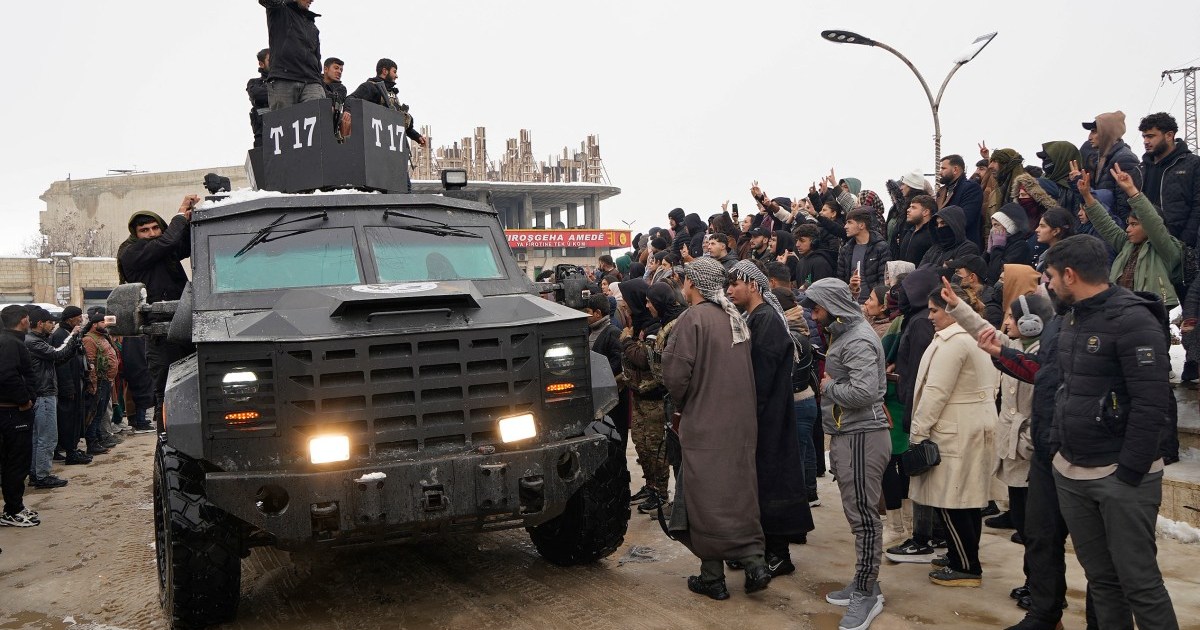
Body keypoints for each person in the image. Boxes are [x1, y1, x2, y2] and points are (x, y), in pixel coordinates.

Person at [1044, 235, 1178, 629]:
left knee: (1141, 585)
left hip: (1120, 476)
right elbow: (1066, 387)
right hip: (1073, 471)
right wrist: (1058, 449)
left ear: (1070, 275)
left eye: (1052, 276)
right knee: (1102, 581)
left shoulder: (1133, 320)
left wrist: (1129, 474)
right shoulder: (1072, 317)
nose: (1049, 284)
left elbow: (1152, 403)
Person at [662, 257, 771, 600]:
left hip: (706, 424)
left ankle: (712, 577)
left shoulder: (692, 319)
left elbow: (675, 376)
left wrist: (684, 404)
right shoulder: (733, 316)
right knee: (739, 493)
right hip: (741, 424)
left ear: (693, 284)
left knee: (705, 498)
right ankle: (755, 563)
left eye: (685, 280)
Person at [802, 277, 889, 630]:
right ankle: (866, 582)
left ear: (833, 306)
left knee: (864, 518)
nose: (813, 314)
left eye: (817, 307)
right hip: (850, 435)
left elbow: (865, 393)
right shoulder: (845, 333)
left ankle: (866, 594)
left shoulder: (858, 339)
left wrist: (829, 386)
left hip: (862, 436)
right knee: (858, 515)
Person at [727, 261, 814, 576]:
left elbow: (760, 377)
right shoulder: (756, 317)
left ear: (753, 285)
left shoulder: (765, 319)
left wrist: (748, 415)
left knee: (772, 484)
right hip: (763, 416)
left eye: (735, 284)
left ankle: (778, 555)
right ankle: (760, 550)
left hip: (770, 419)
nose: (730, 290)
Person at [909, 282, 999, 587]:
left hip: (955, 428)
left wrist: (918, 433)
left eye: (935, 310)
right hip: (974, 423)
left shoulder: (954, 343)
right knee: (968, 499)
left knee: (951, 501)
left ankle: (966, 566)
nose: (930, 316)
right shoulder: (976, 336)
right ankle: (961, 555)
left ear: (952, 310)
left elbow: (935, 392)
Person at [117, 196, 199, 432]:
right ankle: (167, 441)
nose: (151, 233)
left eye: (155, 228)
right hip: (160, 332)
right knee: (167, 391)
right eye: (144, 230)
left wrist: (192, 218)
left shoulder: (164, 251)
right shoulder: (132, 252)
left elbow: (184, 243)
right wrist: (180, 214)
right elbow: (168, 242)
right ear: (135, 234)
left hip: (185, 323)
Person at [619, 279, 669, 512]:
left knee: (656, 447)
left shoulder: (654, 328)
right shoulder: (638, 325)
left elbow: (643, 359)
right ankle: (650, 486)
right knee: (641, 445)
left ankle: (661, 493)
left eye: (627, 300)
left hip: (654, 398)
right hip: (639, 395)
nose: (624, 305)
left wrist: (626, 341)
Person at [24, 308, 83, 489]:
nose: (53, 325)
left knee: (39, 438)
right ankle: (42, 475)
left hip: (43, 393)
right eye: (50, 322)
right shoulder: (34, 342)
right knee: (47, 438)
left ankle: (36, 473)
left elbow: (57, 359)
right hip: (44, 394)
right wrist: (72, 336)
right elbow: (57, 353)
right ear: (40, 323)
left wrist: (72, 346)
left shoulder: (35, 340)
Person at [0, 305, 40, 528]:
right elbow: (7, 375)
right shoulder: (9, 343)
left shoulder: (13, 341)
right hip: (12, 412)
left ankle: (16, 505)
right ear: (23, 320)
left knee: (15, 462)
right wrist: (24, 400)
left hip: (12, 410)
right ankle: (12, 511)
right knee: (16, 462)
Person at [258, 0, 324, 110]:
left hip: (312, 82)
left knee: (318, 116)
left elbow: (317, 58)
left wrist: (321, 84)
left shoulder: (312, 27)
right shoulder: (280, 10)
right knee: (283, 119)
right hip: (284, 78)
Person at [580, 294, 628, 445]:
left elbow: (617, 363)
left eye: (588, 312)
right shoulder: (589, 332)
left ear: (598, 313)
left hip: (611, 398)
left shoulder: (612, 333)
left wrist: (598, 375)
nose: (586, 316)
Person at [350, 59, 428, 148]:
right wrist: (347, 113)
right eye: (394, 72)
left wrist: (417, 137)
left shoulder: (391, 93)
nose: (396, 76)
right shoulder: (370, 87)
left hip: (391, 145)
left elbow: (398, 122)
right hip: (375, 143)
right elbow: (351, 100)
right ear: (385, 71)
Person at [1083, 111, 1143, 225]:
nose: (1089, 137)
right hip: (1105, 224)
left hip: (1116, 227)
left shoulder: (1124, 158)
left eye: (1094, 131)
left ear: (1106, 133)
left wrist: (1124, 229)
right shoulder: (1100, 159)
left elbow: (1125, 203)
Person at [50, 307, 90, 466]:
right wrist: (67, 387)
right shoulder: (61, 335)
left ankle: (71, 448)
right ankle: (70, 452)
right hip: (68, 384)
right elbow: (61, 363)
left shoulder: (69, 333)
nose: (80, 319)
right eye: (78, 317)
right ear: (70, 318)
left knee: (74, 418)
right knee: (68, 419)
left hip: (75, 381)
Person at [81, 308, 120, 455]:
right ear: (94, 324)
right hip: (99, 382)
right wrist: (93, 384)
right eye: (103, 322)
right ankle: (92, 443)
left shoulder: (103, 337)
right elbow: (90, 364)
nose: (105, 325)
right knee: (95, 413)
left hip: (107, 381)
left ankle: (99, 439)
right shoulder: (89, 339)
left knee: (101, 412)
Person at [836, 209, 890, 304]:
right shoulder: (846, 250)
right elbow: (840, 280)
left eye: (849, 222)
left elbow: (884, 280)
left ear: (861, 225)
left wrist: (876, 303)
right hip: (851, 304)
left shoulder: (881, 247)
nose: (845, 226)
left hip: (873, 305)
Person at [936, 155, 985, 248]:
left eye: (943, 168)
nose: (940, 172)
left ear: (955, 169)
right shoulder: (942, 192)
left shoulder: (971, 188)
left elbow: (965, 218)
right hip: (944, 246)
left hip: (963, 246)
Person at [984, 203, 1033, 284]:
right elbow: (982, 269)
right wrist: (988, 252)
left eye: (996, 225)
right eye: (992, 226)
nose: (992, 230)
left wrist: (997, 248)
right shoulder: (1001, 243)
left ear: (1009, 226)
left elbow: (996, 275)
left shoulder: (1020, 247)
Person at [896, 194, 937, 265]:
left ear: (925, 212)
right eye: (909, 207)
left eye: (913, 207)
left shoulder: (933, 235)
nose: (908, 210)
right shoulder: (909, 232)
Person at [792, 223, 836, 288]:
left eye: (802, 241)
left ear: (814, 241)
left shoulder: (820, 263)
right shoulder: (800, 262)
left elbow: (823, 290)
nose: (797, 245)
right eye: (797, 240)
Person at [247, 48, 270, 146]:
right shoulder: (254, 83)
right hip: (263, 135)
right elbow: (257, 96)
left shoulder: (286, 82)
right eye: (270, 60)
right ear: (261, 64)